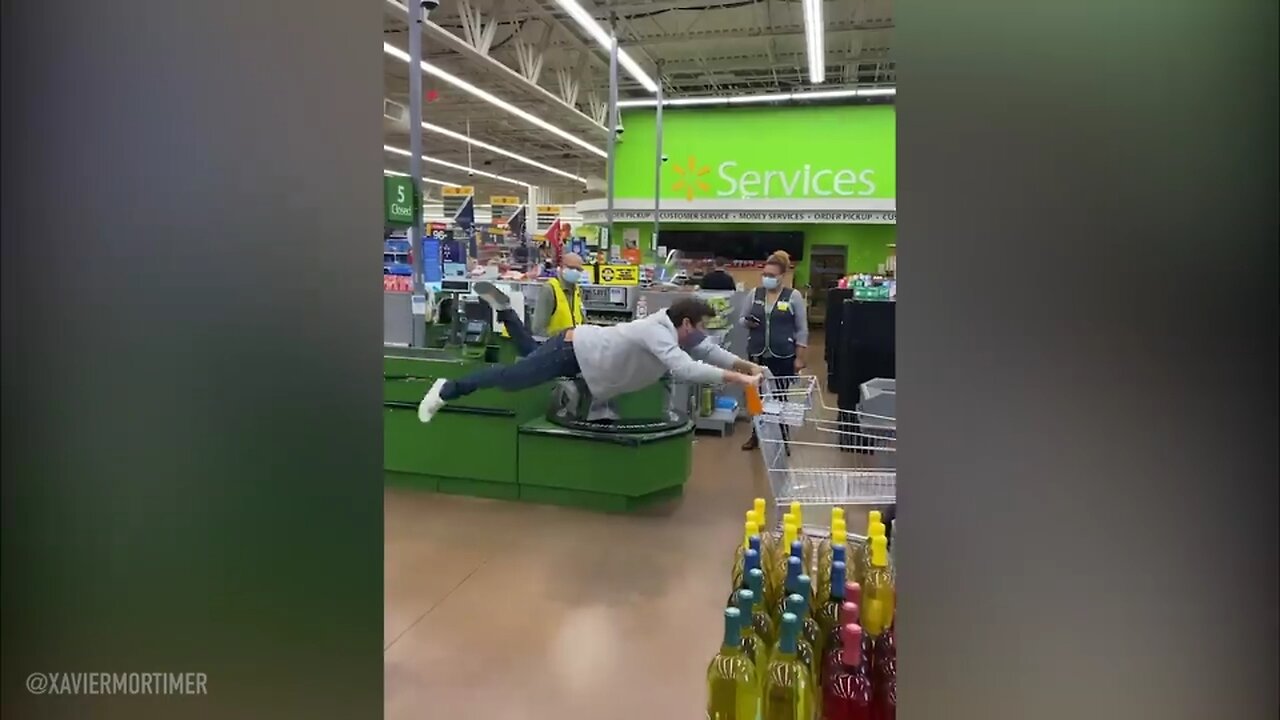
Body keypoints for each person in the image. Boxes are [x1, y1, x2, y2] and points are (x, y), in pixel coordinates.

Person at [417, 282, 764, 423]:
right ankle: (447, 389)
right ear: (687, 323)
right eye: (701, 326)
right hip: (575, 351)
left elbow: (710, 352)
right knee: (511, 379)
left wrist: (746, 365)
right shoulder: (657, 331)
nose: (703, 333)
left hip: (576, 347)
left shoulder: (681, 333)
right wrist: (740, 379)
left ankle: (506, 310)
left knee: (528, 353)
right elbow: (686, 369)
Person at [740, 250, 810, 450]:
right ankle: (756, 434)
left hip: (783, 354)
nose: (767, 279)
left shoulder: (793, 296)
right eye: (765, 275)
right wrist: (747, 323)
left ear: (782, 276)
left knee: (780, 396)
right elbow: (741, 319)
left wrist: (800, 357)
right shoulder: (754, 294)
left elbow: (801, 329)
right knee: (755, 396)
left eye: (772, 275)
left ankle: (782, 437)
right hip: (757, 353)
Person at [530, 252, 585, 337]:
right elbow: (538, 329)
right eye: (571, 267)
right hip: (554, 345)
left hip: (574, 345)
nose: (575, 271)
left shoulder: (577, 290)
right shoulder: (549, 289)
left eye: (578, 269)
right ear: (561, 267)